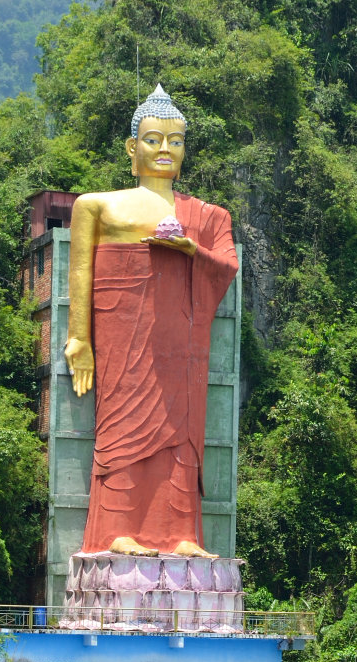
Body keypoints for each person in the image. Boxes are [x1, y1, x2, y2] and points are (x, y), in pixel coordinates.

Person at [64, 85, 238, 558]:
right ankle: (119, 529)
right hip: (123, 330)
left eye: (176, 141)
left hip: (182, 338)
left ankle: (182, 534)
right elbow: (79, 271)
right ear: (131, 147)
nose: (165, 150)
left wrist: (190, 249)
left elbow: (226, 264)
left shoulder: (207, 215)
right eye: (154, 139)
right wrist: (80, 337)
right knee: (123, 426)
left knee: (182, 427)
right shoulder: (97, 205)